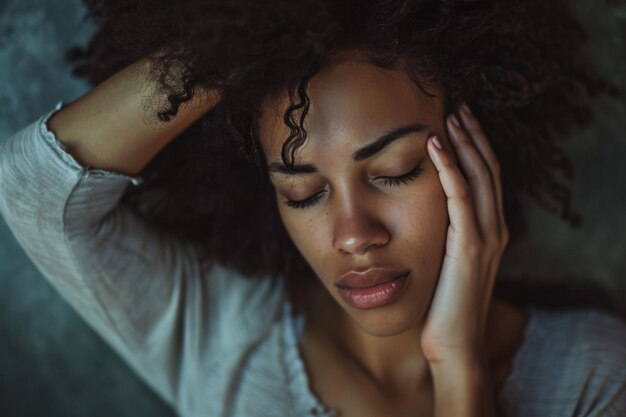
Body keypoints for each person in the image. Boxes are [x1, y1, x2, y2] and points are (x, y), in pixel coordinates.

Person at [1, 0, 625, 416]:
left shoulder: (593, 377)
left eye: (395, 172)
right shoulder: (222, 337)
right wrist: (243, 43)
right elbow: (35, 191)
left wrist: (459, 367)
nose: (353, 235)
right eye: (304, 193)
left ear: (476, 151)